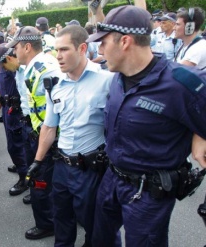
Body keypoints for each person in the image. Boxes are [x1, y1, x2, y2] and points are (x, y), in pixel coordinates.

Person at [86, 5, 206, 246]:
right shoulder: (117, 75)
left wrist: (200, 132)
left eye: (103, 42)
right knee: (100, 238)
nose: (98, 50)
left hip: (148, 194)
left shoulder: (180, 83)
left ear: (125, 42)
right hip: (112, 179)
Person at [33, 25, 113, 246]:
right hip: (61, 167)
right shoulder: (54, 84)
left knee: (95, 224)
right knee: (62, 220)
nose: (58, 56)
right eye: (56, 50)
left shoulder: (107, 81)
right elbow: (50, 127)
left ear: (82, 48)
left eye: (64, 49)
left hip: (91, 169)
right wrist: (38, 161)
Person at [6, 26, 62, 240]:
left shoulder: (43, 69)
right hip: (38, 131)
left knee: (40, 180)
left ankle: (47, 224)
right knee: (41, 180)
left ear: (27, 46)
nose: (14, 53)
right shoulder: (35, 66)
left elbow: (55, 108)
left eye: (16, 48)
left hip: (44, 135)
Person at [0, 44, 29, 195]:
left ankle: (25, 179)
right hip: (8, 111)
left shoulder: (19, 70)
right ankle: (22, 167)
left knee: (18, 147)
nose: (1, 68)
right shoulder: (3, 69)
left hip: (17, 112)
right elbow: (2, 91)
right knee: (12, 145)